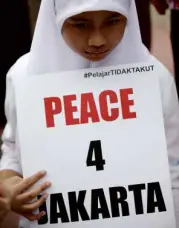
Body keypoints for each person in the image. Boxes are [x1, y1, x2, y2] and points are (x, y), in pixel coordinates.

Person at [0, 0, 179, 227]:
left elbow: (173, 165)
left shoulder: (156, 78)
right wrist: (8, 182)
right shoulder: (23, 77)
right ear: (56, 16)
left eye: (113, 21)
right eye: (80, 24)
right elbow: (13, 148)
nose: (98, 40)